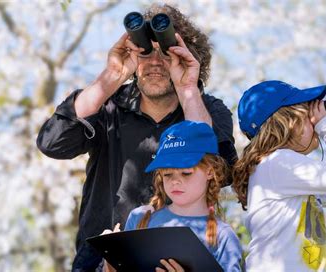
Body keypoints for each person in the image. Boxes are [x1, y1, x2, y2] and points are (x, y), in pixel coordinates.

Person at [36, 4, 237, 271]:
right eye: (145, 52)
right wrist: (112, 77)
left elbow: (220, 169)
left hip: (179, 260)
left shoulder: (207, 109)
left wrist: (188, 88)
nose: (154, 62)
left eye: (165, 53)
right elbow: (53, 143)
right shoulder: (108, 107)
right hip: (105, 256)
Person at [232, 80, 326, 271]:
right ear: (287, 122)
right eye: (307, 113)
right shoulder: (279, 163)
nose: (315, 121)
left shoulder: (279, 170)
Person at [113, 121, 242, 272]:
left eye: (186, 173)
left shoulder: (223, 237)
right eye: (167, 174)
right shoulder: (140, 219)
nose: (175, 181)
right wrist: (111, 258)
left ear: (210, 171)